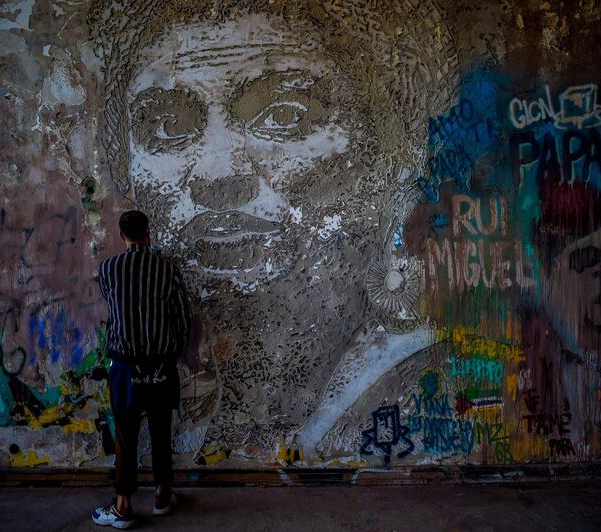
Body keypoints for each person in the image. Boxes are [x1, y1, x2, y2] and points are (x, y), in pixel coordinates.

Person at [88, 0, 459, 460]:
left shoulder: (446, 376)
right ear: (126, 167)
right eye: (166, 128)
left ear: (389, 152)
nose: (218, 175)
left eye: (284, 116)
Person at [92, 210, 192, 528]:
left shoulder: (107, 269)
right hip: (160, 364)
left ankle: (123, 507)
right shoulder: (167, 268)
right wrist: (170, 352)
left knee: (125, 435)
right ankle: (162, 495)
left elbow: (113, 304)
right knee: (162, 430)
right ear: (148, 232)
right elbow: (182, 318)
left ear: (122, 236)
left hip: (125, 367)